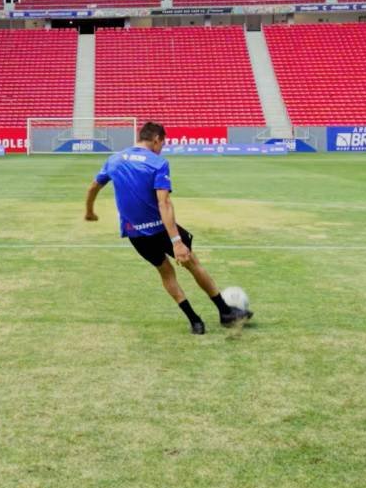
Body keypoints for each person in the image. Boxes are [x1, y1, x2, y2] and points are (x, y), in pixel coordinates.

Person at [84, 121, 252, 335]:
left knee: (166, 273)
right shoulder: (157, 163)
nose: (161, 147)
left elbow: (93, 187)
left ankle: (195, 321)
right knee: (192, 263)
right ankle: (225, 312)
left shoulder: (114, 159)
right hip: (161, 229)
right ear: (156, 140)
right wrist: (176, 241)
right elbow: (164, 204)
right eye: (162, 143)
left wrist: (90, 211)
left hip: (135, 233)